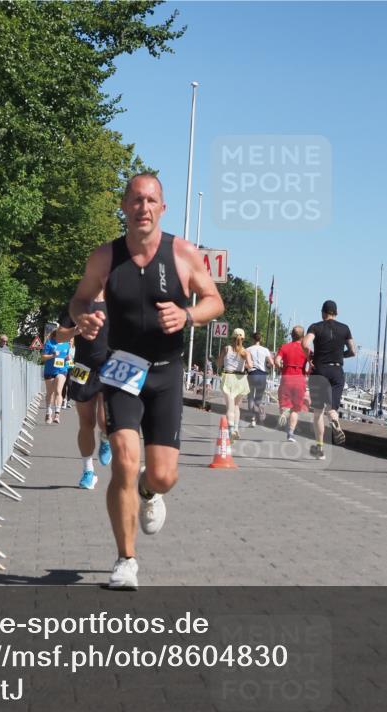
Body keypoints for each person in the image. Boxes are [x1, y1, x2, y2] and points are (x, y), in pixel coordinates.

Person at [66, 172, 224, 590]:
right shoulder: (104, 257)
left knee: (163, 475)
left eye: (151, 200)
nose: (144, 208)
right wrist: (82, 314)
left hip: (167, 373)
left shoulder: (183, 253)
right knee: (122, 458)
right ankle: (125, 560)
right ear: (123, 206)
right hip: (122, 369)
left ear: (163, 208)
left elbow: (215, 301)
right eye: (136, 200)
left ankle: (150, 493)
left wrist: (188, 315)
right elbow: (79, 297)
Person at [63, 294, 112, 490]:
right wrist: (76, 329)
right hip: (82, 368)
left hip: (109, 368)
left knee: (104, 420)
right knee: (86, 422)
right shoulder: (77, 304)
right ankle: (88, 471)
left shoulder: (118, 301)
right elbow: (58, 335)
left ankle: (106, 438)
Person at [302, 300, 356, 458]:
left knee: (318, 412)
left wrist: (310, 356)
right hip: (336, 370)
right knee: (331, 408)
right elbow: (353, 350)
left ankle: (320, 448)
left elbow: (305, 343)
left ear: (323, 313)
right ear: (336, 313)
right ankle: (335, 421)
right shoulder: (345, 328)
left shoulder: (315, 327)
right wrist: (341, 355)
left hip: (319, 369)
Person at [274, 326, 309, 442]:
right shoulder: (307, 350)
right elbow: (311, 365)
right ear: (303, 336)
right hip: (300, 379)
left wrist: (280, 368)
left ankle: (284, 412)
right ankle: (291, 433)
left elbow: (277, 360)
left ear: (291, 335)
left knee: (284, 404)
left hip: (287, 377)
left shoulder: (284, 347)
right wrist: (307, 372)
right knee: (295, 409)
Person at [218, 328, 253, 441]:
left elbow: (218, 363)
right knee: (237, 406)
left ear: (232, 337)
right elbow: (250, 365)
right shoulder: (245, 351)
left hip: (228, 377)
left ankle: (231, 429)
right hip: (240, 379)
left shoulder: (226, 348)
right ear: (243, 339)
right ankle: (236, 429)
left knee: (230, 406)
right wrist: (244, 364)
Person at [41, 329, 71, 424]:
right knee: (50, 393)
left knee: (58, 391)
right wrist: (53, 355)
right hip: (49, 371)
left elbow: (67, 357)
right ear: (55, 335)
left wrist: (68, 359)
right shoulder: (49, 343)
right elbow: (43, 357)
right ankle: (48, 411)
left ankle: (57, 414)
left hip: (62, 370)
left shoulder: (66, 344)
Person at [245, 331, 274, 427]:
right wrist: (268, 365)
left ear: (253, 339)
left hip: (252, 374)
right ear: (260, 339)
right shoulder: (265, 350)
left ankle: (253, 419)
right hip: (262, 375)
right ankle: (260, 409)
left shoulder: (248, 349)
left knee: (250, 397)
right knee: (258, 399)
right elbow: (272, 363)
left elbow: (244, 363)